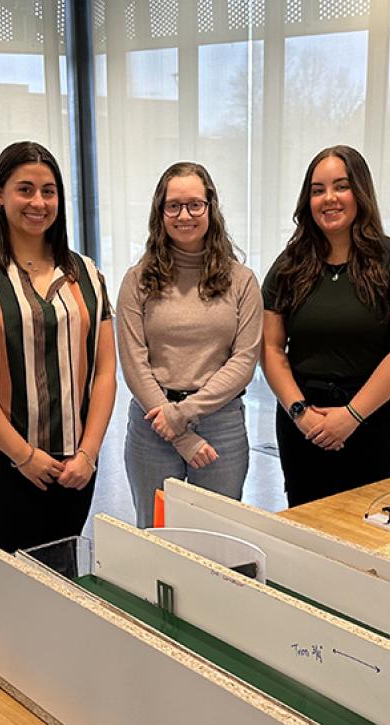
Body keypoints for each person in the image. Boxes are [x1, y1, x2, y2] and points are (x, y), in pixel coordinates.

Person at [0, 141, 116, 552]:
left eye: (48, 191)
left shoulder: (86, 272)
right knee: (17, 577)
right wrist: (22, 455)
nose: (38, 201)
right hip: (2, 459)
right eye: (25, 189)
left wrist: (88, 453)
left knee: (65, 569)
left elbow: (105, 372)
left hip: (76, 461)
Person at [261, 145, 390, 507]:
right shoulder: (289, 266)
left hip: (375, 420)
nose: (329, 198)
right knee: (307, 527)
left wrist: (352, 415)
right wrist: (300, 413)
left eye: (341, 186)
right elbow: (271, 349)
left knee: (366, 530)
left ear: (361, 192)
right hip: (303, 421)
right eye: (317, 190)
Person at [117, 162, 262, 528]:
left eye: (195, 204)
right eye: (174, 206)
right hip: (153, 423)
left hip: (220, 423)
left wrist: (182, 416)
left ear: (211, 208)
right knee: (154, 534)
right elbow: (134, 362)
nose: (185, 215)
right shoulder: (137, 280)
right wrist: (178, 432)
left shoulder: (242, 281)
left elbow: (243, 362)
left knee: (217, 537)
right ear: (160, 213)